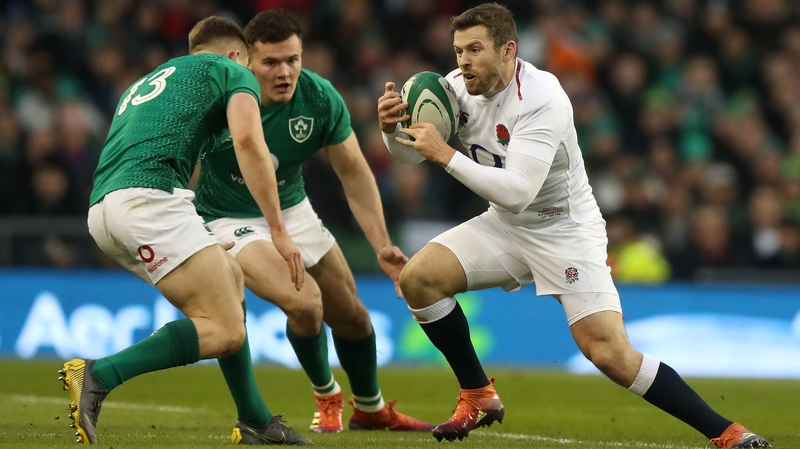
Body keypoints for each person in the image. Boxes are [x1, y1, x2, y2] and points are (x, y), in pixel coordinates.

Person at [377, 3, 771, 448]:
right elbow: (412, 154)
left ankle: (727, 433)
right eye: (458, 51)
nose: (463, 61)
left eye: (475, 50)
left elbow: (519, 190)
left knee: (609, 354)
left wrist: (446, 155)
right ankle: (478, 395)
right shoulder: (451, 90)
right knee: (419, 280)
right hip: (506, 225)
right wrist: (393, 129)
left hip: (563, 229)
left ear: (508, 50)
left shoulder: (542, 96)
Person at [59, 16, 312, 446]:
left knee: (231, 280)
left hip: (104, 210)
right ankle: (99, 374)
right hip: (148, 201)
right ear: (237, 55)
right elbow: (249, 143)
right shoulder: (232, 72)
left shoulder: (148, 82)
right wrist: (278, 230)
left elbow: (176, 151)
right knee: (224, 329)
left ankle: (255, 420)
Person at [193, 9, 433, 435]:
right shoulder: (220, 98)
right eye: (271, 62)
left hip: (293, 209)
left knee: (353, 316)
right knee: (304, 305)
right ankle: (327, 395)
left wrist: (380, 243)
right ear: (247, 61)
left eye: (293, 60)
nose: (285, 72)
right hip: (231, 218)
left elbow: (355, 172)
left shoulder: (319, 97)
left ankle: (371, 410)